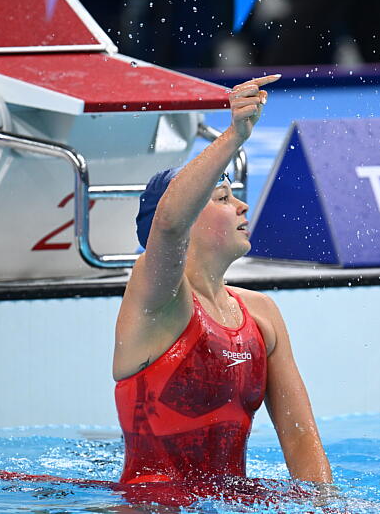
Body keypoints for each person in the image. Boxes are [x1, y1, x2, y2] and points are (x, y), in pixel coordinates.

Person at [113, 74, 332, 485]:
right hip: (153, 506)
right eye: (223, 197)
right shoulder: (158, 300)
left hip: (233, 501)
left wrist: (324, 505)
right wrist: (234, 136)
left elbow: (301, 441)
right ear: (191, 219)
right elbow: (168, 226)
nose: (242, 205)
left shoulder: (261, 312)